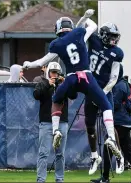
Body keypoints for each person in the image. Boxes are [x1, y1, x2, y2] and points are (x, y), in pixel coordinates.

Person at [23, 9, 122, 159]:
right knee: (106, 105)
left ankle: (56, 130)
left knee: (56, 99)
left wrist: (28, 64)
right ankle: (111, 138)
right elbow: (93, 26)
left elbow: (42, 62)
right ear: (71, 27)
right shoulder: (79, 34)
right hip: (87, 77)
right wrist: (85, 17)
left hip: (71, 78)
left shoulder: (57, 44)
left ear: (57, 29)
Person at [75, 16, 124, 174]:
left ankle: (119, 157)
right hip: (91, 89)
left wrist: (101, 94)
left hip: (104, 90)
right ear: (103, 34)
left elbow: (114, 78)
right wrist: (85, 18)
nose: (113, 39)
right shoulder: (94, 40)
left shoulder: (117, 53)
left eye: (115, 36)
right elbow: (79, 30)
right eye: (111, 36)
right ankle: (94, 156)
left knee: (109, 126)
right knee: (89, 125)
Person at [92, 71, 131, 183]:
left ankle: (105, 178)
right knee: (128, 150)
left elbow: (115, 103)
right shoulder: (125, 84)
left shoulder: (119, 86)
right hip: (125, 121)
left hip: (119, 122)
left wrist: (102, 102)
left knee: (108, 148)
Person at [33, 62, 69, 182]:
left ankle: (59, 179)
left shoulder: (63, 84)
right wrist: (48, 84)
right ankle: (41, 180)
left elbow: (73, 95)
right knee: (43, 153)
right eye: (53, 72)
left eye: (57, 73)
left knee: (60, 154)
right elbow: (36, 95)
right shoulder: (43, 82)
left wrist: (67, 84)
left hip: (62, 122)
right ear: (48, 73)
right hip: (46, 122)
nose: (55, 75)